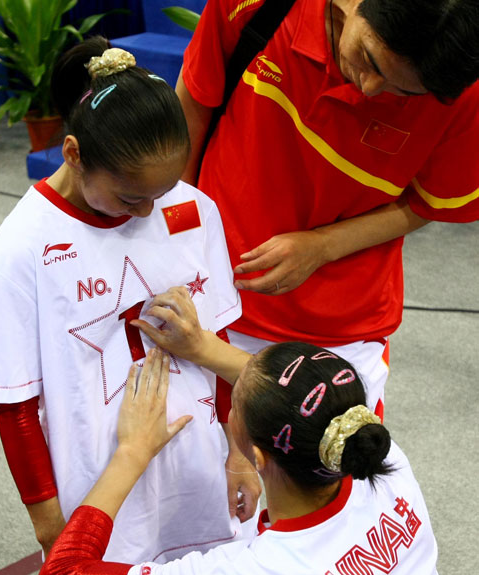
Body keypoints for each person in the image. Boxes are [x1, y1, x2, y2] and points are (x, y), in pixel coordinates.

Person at [0, 36, 257, 575]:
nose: (150, 211)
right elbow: (16, 405)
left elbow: (218, 339)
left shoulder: (192, 209)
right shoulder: (19, 250)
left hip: (197, 461)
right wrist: (50, 524)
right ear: (73, 153)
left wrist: (239, 451)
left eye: (163, 190)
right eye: (131, 198)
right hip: (95, 483)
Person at [37, 288, 479, 575]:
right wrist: (202, 346)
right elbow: (303, 404)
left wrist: (131, 453)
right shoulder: (383, 461)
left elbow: (63, 574)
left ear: (256, 456)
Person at [176, 0, 479, 419]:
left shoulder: (462, 92)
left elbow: (430, 202)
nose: (369, 87)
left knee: (324, 458)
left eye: (403, 91)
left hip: (338, 328)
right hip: (211, 296)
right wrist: (179, 237)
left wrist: (323, 246)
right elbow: (195, 100)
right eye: (369, 58)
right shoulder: (263, 7)